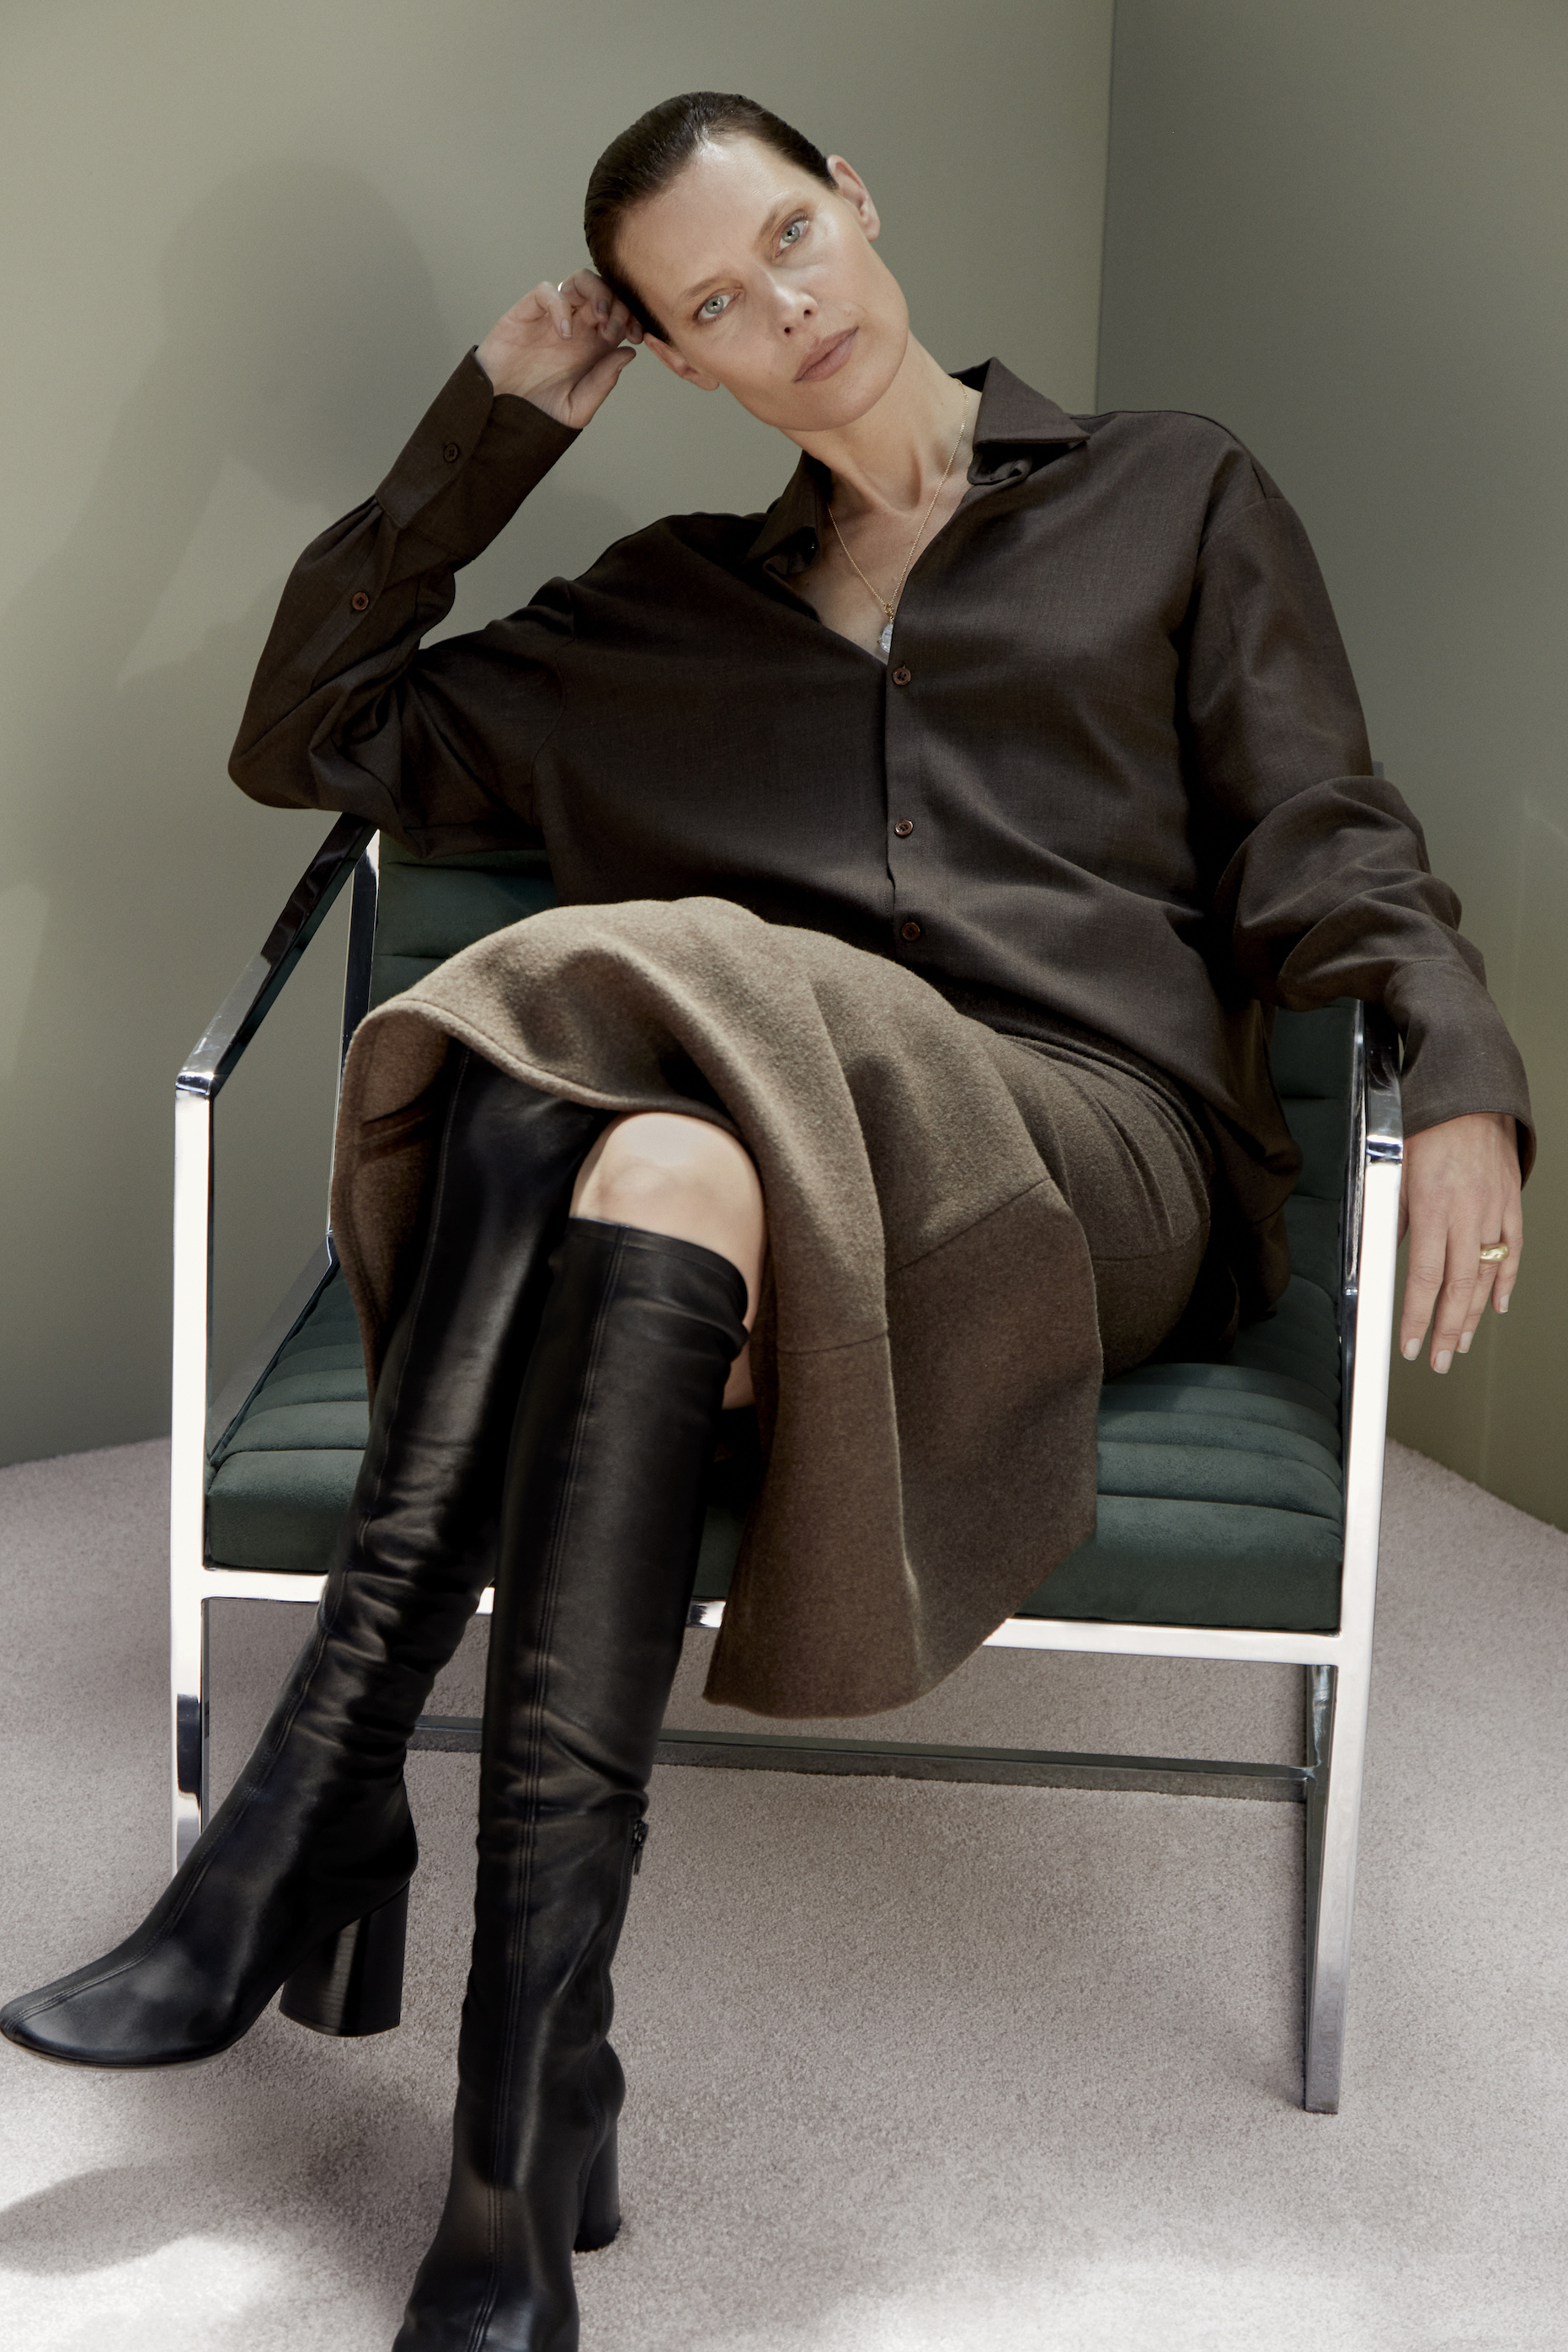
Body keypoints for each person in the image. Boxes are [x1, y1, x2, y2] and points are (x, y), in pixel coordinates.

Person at [2, 91, 1530, 2352]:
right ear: (675, 360)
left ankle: (308, 1807)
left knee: (578, 987)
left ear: (860, 204)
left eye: (793, 236)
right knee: (646, 1157)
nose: (786, 305)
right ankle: (525, 2132)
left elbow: (1324, 824)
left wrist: (1460, 1064)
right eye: (715, 303)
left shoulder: (1170, 488)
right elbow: (308, 732)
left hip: (1089, 1170)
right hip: (767, 1194)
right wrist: (487, 432)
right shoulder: (655, 615)